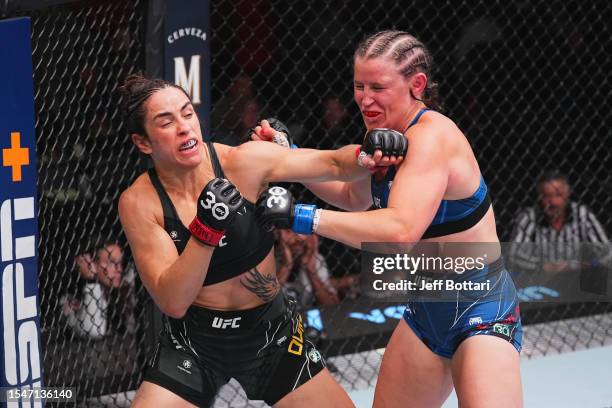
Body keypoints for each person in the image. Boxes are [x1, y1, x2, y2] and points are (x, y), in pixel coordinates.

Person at [254, 30, 523, 407]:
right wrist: (290, 157)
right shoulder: (383, 135)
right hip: (427, 306)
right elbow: (353, 197)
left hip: (481, 308)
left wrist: (300, 216)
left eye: (377, 87)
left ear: (417, 84)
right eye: (358, 85)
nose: (365, 99)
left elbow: (399, 232)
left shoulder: (432, 138)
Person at [117, 74, 406, 407]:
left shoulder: (241, 162)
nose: (184, 127)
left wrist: (367, 152)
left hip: (271, 334)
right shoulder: (140, 202)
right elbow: (173, 301)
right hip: (195, 343)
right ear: (143, 142)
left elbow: (332, 164)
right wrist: (206, 230)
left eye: (187, 113)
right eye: (166, 122)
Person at [510, 170, 610, 278]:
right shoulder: (530, 216)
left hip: (574, 279)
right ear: (539, 197)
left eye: (558, 195)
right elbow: (515, 255)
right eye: (546, 196)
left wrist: (591, 266)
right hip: (539, 279)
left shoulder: (581, 214)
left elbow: (606, 251)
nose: (552, 202)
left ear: (567, 195)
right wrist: (543, 267)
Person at [62, 241, 124, 339]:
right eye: (110, 262)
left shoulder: (126, 289)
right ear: (91, 264)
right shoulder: (68, 298)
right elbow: (93, 331)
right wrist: (91, 281)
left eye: (120, 262)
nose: (119, 269)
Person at [275, 230, 339, 308]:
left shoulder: (315, 260)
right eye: (289, 231)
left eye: (300, 231)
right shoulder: (270, 261)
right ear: (279, 235)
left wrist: (311, 270)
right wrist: (286, 266)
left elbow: (333, 305)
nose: (297, 238)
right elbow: (267, 301)